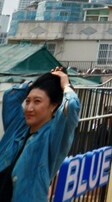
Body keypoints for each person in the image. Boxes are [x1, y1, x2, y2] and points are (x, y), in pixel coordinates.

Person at [0, 67, 80, 202]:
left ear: (53, 106)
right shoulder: (18, 127)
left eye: (37, 101)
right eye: (27, 101)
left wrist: (65, 84)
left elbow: (71, 105)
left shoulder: (53, 136)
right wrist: (38, 82)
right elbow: (10, 97)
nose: (29, 108)